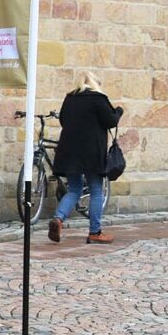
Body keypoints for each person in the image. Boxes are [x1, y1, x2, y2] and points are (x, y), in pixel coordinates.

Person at [48, 71, 123, 244]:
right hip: (92, 153)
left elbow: (63, 121)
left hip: (70, 151)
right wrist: (119, 111)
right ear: (96, 83)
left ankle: (58, 219)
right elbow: (110, 121)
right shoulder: (98, 98)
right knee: (97, 191)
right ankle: (95, 232)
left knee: (74, 189)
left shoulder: (70, 98)